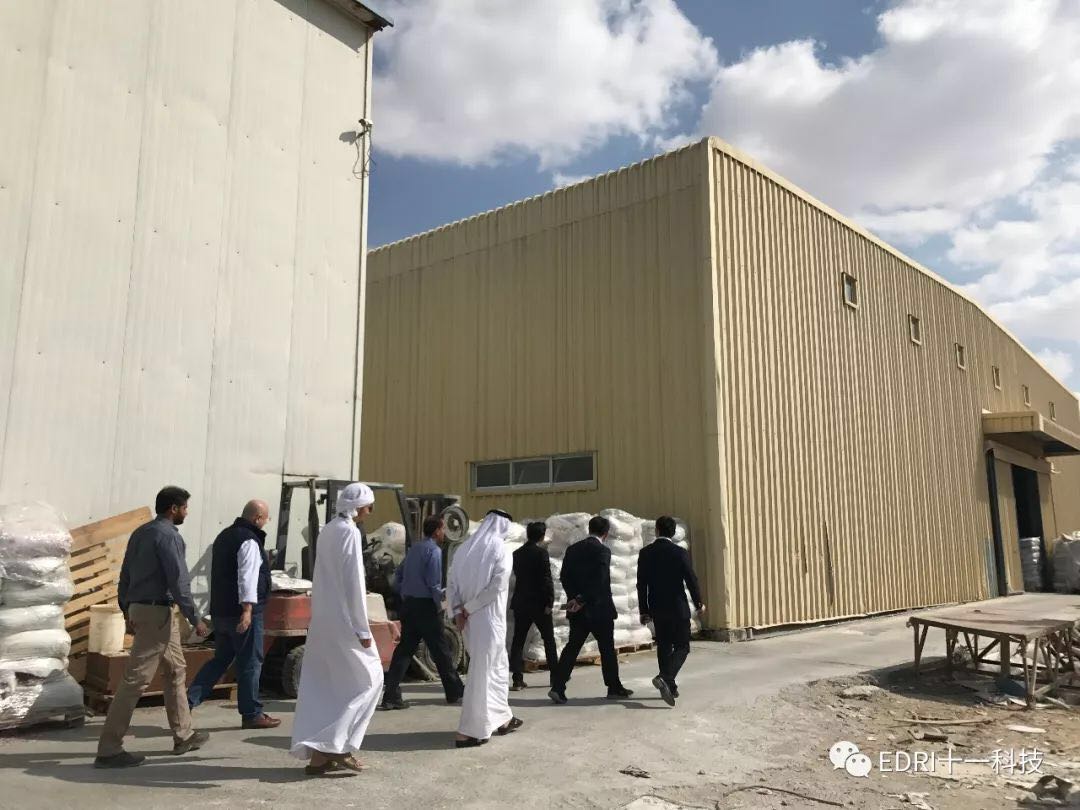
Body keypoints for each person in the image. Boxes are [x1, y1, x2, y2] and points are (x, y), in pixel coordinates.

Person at [94, 486, 210, 769]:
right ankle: (109, 749)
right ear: (173, 508)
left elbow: (125, 574)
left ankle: (184, 735)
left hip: (145, 610)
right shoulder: (169, 536)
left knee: (175, 669)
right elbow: (178, 580)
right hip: (157, 613)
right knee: (135, 680)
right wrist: (195, 617)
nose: (186, 513)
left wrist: (127, 609)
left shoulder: (141, 533)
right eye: (185, 508)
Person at [290, 483, 384, 776]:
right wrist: (362, 628)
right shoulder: (349, 532)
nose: (370, 511)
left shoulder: (329, 530)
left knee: (332, 686)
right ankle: (336, 746)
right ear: (359, 507)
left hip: (323, 618)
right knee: (370, 680)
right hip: (344, 620)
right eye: (369, 506)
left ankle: (319, 758)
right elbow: (353, 581)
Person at [187, 499, 280, 729]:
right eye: (265, 519)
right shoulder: (249, 540)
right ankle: (252, 714)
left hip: (221, 612)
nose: (266, 523)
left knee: (221, 659)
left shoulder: (224, 536)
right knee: (250, 662)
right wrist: (247, 610)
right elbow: (247, 577)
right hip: (242, 613)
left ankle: (186, 702)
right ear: (257, 518)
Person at [446, 509, 522, 747]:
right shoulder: (501, 549)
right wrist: (468, 608)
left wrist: (457, 612)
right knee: (482, 673)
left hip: (468, 621)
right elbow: (497, 586)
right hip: (487, 620)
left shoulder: (462, 549)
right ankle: (468, 731)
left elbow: (450, 583)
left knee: (497, 669)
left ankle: (502, 719)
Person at [380, 514, 464, 710]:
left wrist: (404, 593)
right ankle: (454, 691)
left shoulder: (414, 549)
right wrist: (440, 604)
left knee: (404, 651)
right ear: (436, 531)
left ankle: (390, 695)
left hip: (409, 606)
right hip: (425, 607)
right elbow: (434, 584)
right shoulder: (434, 551)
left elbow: (399, 574)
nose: (444, 533)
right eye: (443, 529)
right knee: (440, 649)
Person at [548, 515, 633, 704]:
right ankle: (614, 687)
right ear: (606, 533)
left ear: (589, 529)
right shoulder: (602, 551)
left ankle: (558, 687)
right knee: (607, 650)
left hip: (578, 610)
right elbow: (600, 579)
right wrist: (582, 599)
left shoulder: (572, 549)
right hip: (599, 609)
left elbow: (564, 576)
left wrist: (574, 598)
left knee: (572, 648)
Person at [637, 516, 704, 706]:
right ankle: (665, 677)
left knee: (664, 646)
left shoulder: (645, 553)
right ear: (673, 533)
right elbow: (691, 579)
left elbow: (641, 584)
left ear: (656, 530)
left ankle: (670, 686)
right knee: (683, 646)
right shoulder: (679, 552)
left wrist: (644, 610)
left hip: (657, 607)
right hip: (677, 606)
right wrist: (699, 602)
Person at [508, 521, 559, 691]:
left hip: (521, 602)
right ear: (542, 536)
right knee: (549, 640)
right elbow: (546, 579)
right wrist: (550, 601)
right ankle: (555, 678)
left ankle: (517, 679)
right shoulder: (541, 554)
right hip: (539, 604)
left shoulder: (517, 554)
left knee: (518, 641)